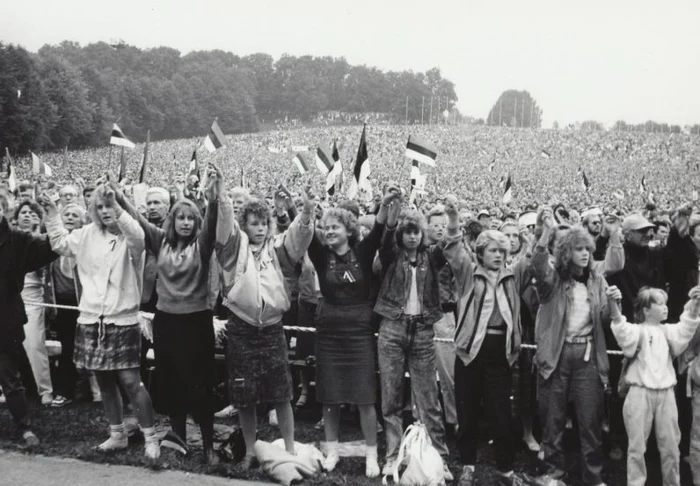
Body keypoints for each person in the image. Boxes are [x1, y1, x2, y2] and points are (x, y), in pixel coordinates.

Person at [40, 180, 160, 459]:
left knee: (132, 381)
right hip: (91, 318)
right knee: (104, 380)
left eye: (111, 206)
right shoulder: (86, 234)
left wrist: (118, 206)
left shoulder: (133, 237)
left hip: (123, 319)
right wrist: (52, 214)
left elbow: (137, 234)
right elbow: (59, 243)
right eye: (101, 207)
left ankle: (150, 436)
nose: (106, 211)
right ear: (93, 210)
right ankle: (117, 433)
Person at [118, 165, 225, 464]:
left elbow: (213, 224)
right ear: (172, 220)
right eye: (181, 217)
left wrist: (213, 197)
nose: (186, 222)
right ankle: (179, 442)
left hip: (196, 323)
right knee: (174, 382)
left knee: (200, 384)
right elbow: (138, 219)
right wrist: (118, 195)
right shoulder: (159, 241)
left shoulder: (202, 247)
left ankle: (208, 446)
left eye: (191, 218)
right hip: (167, 324)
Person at [215, 185, 316, 470]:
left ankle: (290, 448)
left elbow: (299, 237)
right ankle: (248, 450)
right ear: (244, 225)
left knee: (282, 393)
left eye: (264, 223)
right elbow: (224, 227)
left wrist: (306, 213)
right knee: (244, 396)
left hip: (272, 327)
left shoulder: (278, 248)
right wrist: (222, 197)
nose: (260, 228)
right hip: (241, 326)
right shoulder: (234, 249)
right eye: (254, 223)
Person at [307, 187, 400, 478]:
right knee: (329, 396)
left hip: (359, 332)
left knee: (364, 397)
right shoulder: (321, 256)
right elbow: (306, 232)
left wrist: (385, 204)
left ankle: (372, 455)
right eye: (326, 227)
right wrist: (308, 211)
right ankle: (332, 451)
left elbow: (380, 228)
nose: (329, 231)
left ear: (349, 230)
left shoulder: (362, 251)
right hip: (330, 332)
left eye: (335, 227)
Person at [442, 199, 532, 486]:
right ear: (480, 252)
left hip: (500, 352)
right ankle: (468, 466)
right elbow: (454, 250)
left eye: (502, 250)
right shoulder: (469, 273)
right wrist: (454, 220)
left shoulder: (512, 275)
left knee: (500, 415)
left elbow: (534, 260)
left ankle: (505, 469)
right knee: (466, 413)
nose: (498, 254)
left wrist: (536, 236)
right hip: (470, 352)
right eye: (492, 250)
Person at [531, 210, 623, 486]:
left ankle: (593, 477)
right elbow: (537, 265)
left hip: (588, 356)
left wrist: (614, 302)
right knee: (553, 420)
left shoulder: (597, 280)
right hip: (556, 356)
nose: (585, 254)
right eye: (578, 249)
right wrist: (544, 233)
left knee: (590, 421)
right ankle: (554, 473)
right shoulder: (552, 281)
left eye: (587, 248)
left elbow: (606, 319)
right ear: (565, 252)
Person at [374, 206, 452, 481]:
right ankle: (392, 456)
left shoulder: (431, 257)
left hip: (422, 329)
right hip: (392, 327)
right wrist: (392, 211)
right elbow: (384, 239)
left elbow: (448, 244)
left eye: (416, 231)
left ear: (422, 233)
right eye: (407, 231)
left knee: (428, 397)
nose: (411, 237)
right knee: (391, 397)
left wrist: (450, 219)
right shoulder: (390, 255)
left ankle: (439, 458)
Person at [610, 286, 700, 486]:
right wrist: (613, 304)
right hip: (639, 393)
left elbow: (686, 329)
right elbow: (620, 327)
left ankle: (672, 483)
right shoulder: (637, 331)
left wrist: (694, 305)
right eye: (659, 303)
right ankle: (635, 483)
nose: (665, 308)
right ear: (645, 310)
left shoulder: (668, 331)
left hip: (666, 394)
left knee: (671, 446)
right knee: (636, 446)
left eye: (665, 303)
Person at [0, 200, 58, 447]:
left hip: (5, 319)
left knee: (9, 377)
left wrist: (54, 219)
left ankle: (24, 427)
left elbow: (54, 247)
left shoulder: (18, 239)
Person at [14, 199, 54, 406]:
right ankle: (8, 389)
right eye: (23, 212)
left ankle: (45, 390)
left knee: (34, 344)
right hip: (10, 297)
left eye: (32, 213)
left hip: (33, 299)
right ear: (15, 217)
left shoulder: (41, 241)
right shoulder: (7, 240)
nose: (27, 215)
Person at [423, 206, 458, 439]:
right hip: (422, 317)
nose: (439, 228)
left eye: (443, 225)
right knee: (422, 373)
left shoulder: (454, 251)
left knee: (449, 374)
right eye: (435, 224)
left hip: (445, 315)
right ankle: (424, 421)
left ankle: (454, 420)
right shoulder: (420, 251)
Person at [48, 203, 86, 407]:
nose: (70, 218)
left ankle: (78, 389)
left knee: (79, 347)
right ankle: (66, 390)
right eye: (67, 215)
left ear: (83, 221)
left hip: (82, 304)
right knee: (67, 347)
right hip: (59, 304)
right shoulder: (53, 245)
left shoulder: (86, 242)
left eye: (75, 215)